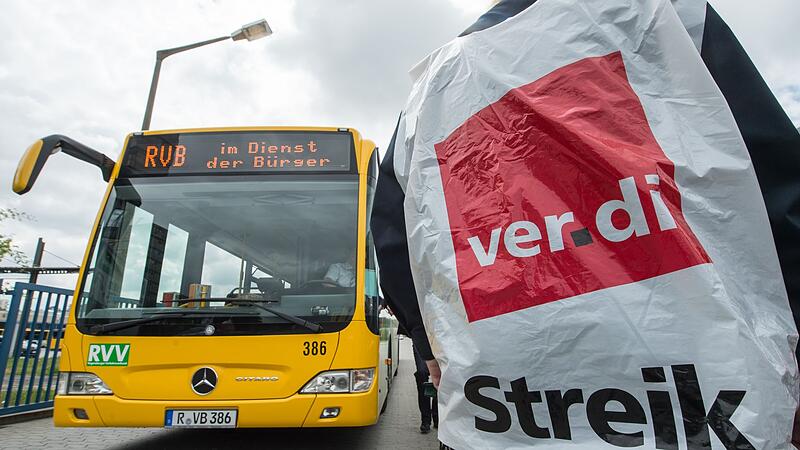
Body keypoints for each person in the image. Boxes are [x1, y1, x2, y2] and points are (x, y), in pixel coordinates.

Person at [413, 344, 438, 434]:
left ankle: (437, 416)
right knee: (421, 373)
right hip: (420, 338)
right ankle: (425, 419)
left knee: (441, 375)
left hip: (440, 340)